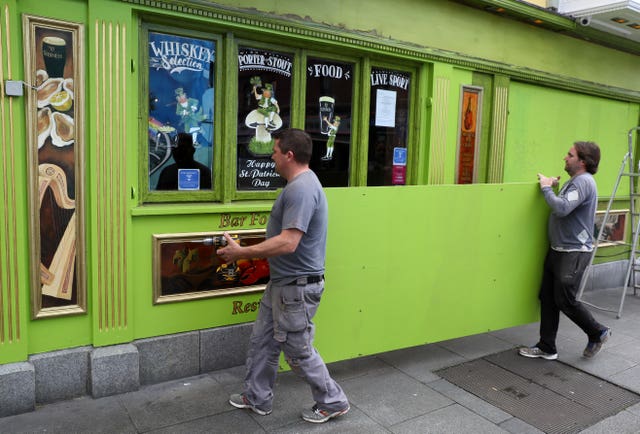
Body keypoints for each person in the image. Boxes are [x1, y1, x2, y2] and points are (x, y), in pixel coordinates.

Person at [216, 128, 350, 423]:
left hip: (297, 289)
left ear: (289, 155)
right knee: (263, 341)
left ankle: (333, 400)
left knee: (298, 351)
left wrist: (240, 253)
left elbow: (289, 242)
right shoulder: (300, 185)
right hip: (284, 284)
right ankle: (257, 396)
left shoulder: (301, 189)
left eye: (275, 152)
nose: (272, 157)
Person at [519, 141, 611, 361]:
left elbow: (561, 208)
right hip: (559, 249)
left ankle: (597, 332)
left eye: (569, 155)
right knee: (548, 298)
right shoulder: (577, 181)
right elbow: (566, 204)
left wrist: (546, 188)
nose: (565, 158)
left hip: (573, 252)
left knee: (565, 300)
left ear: (582, 161)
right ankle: (547, 346)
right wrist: (553, 185)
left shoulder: (583, 182)